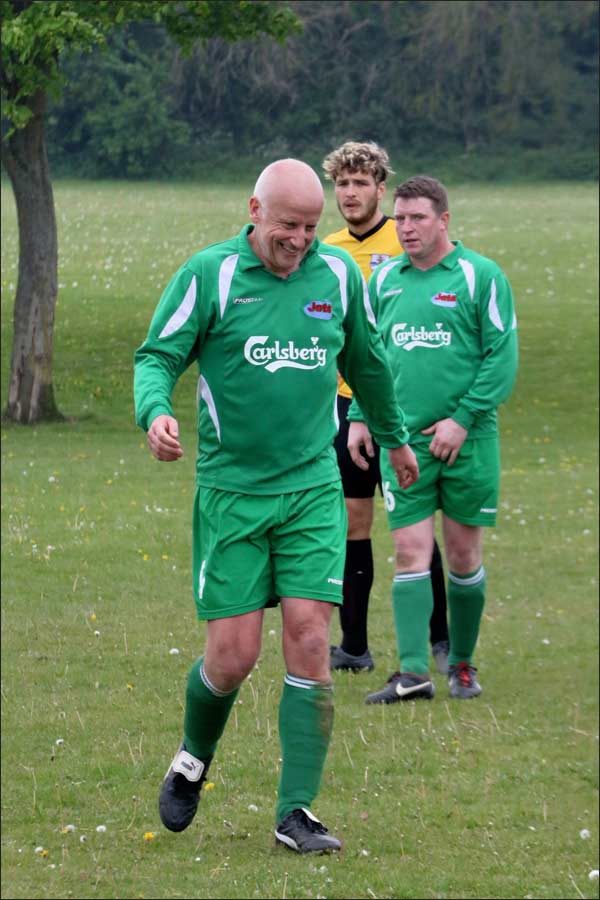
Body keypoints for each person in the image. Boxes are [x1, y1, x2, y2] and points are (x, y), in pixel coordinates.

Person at [133, 159, 419, 854]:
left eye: (312, 228)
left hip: (312, 489)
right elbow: (157, 356)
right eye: (289, 225)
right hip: (233, 493)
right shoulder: (210, 275)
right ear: (254, 210)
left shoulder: (338, 276)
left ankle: (296, 812)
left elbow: (368, 364)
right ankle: (193, 759)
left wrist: (394, 437)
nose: (300, 240)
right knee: (233, 657)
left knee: (312, 638)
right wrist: (154, 411)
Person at [347, 175, 518, 704]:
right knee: (409, 552)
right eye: (400, 218)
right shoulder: (383, 280)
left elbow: (502, 357)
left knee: (463, 555)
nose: (406, 228)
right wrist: (359, 414)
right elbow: (367, 357)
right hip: (404, 444)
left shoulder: (480, 276)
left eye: (418, 217)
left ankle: (461, 665)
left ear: (444, 220)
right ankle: (413, 673)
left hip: (469, 440)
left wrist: (461, 419)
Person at [321, 141, 450, 676]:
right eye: (342, 184)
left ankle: (441, 640)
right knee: (353, 521)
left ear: (381, 188)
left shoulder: (409, 237)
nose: (350, 193)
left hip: (402, 411)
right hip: (346, 407)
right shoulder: (325, 250)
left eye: (361, 183)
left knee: (413, 525)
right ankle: (354, 646)